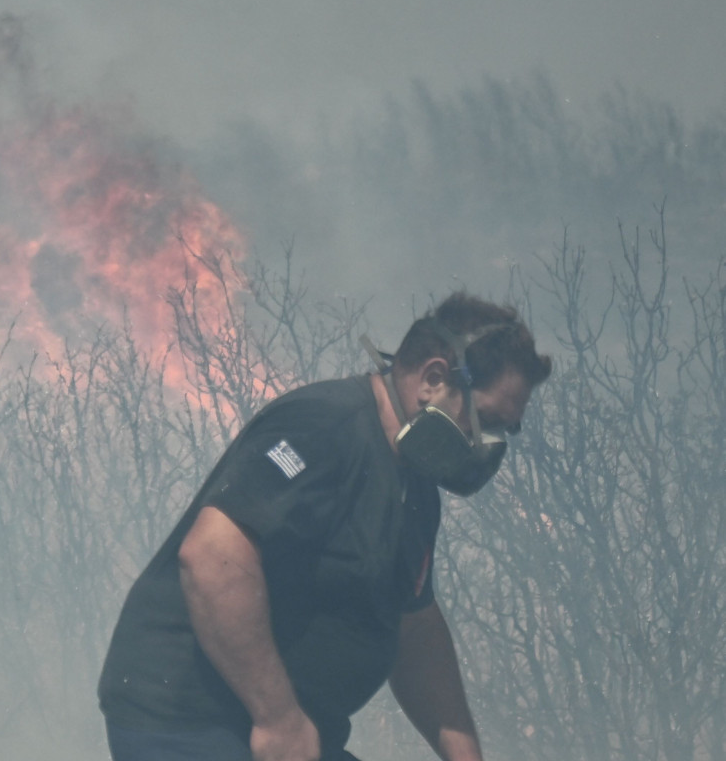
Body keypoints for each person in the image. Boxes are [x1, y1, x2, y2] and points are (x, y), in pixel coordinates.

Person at [98, 292, 552, 761]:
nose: (487, 444)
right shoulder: (322, 428)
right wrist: (277, 718)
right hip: (191, 723)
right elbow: (213, 555)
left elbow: (414, 626)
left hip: (289, 728)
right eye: (487, 420)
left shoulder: (415, 488)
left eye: (505, 431)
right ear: (434, 379)